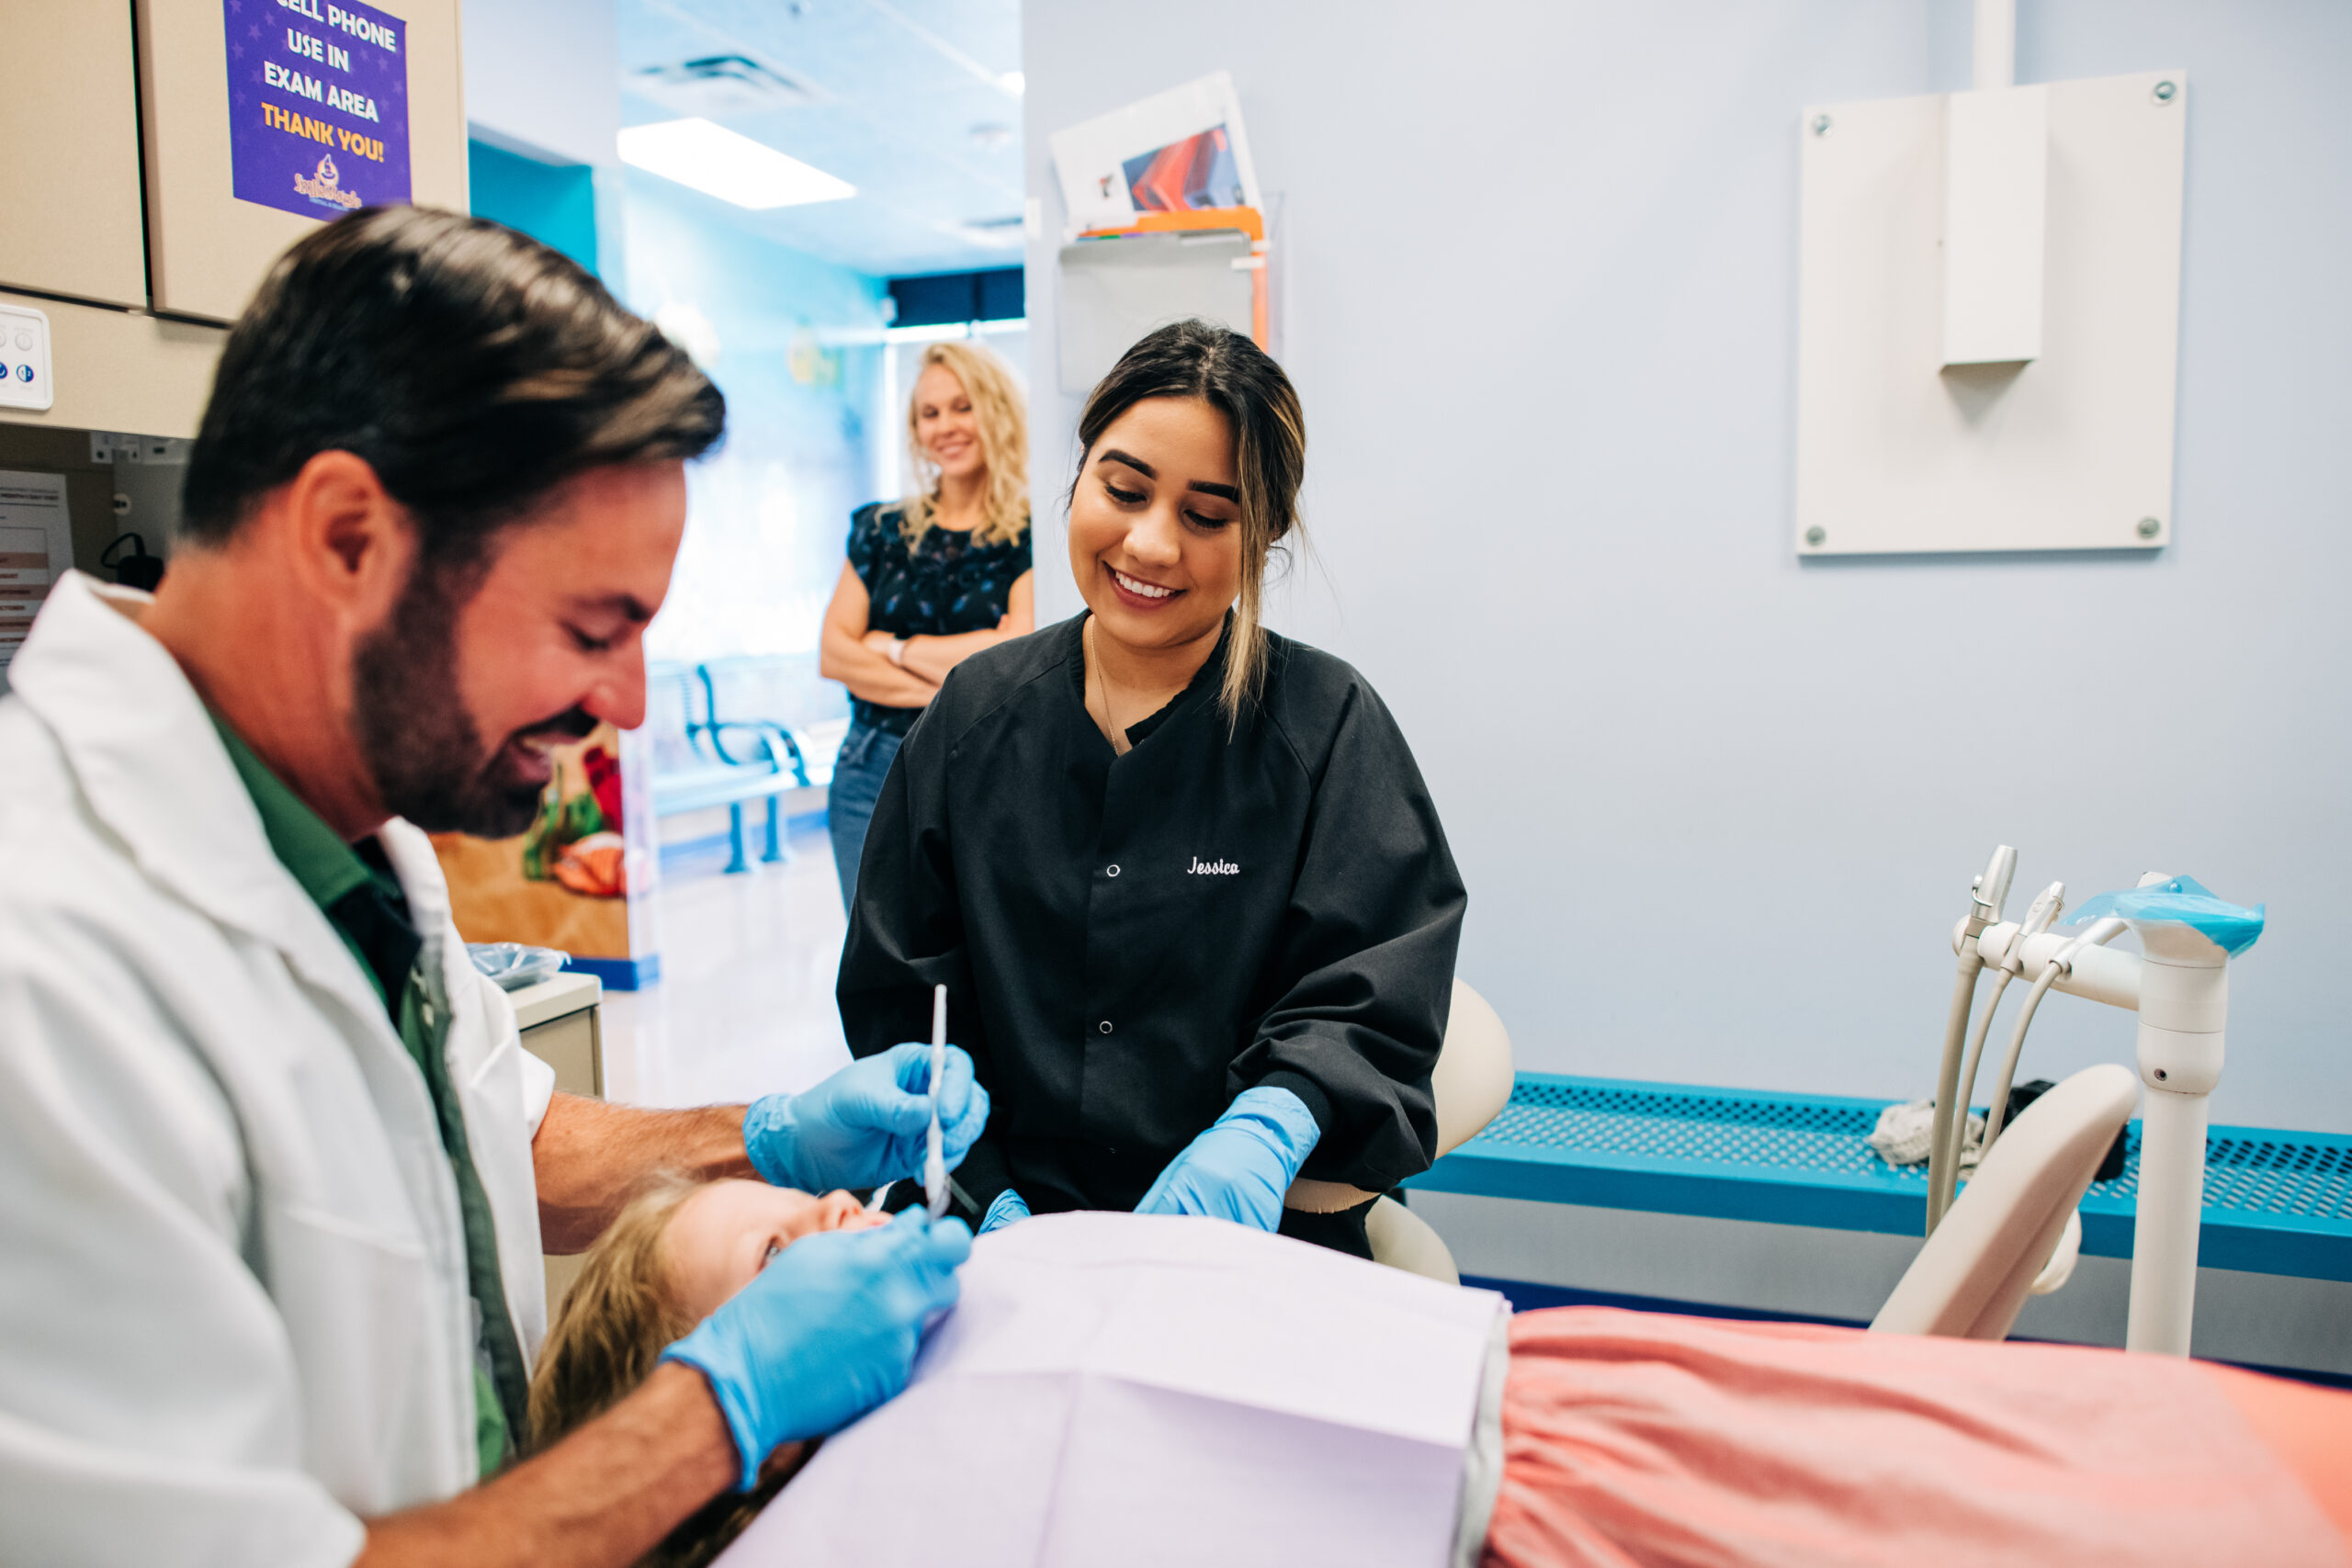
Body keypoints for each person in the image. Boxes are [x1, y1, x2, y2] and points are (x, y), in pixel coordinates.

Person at [0, 208, 987, 1567]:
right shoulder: (42, 963)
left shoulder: (351, 831)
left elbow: (489, 1143)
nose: (627, 705)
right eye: (594, 628)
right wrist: (715, 1413)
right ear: (349, 537)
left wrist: (758, 1137)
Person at [530, 1183, 2352, 1567]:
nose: (854, 1226)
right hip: (1534, 1509)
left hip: (1575, 1383)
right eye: (782, 1258)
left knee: (2170, 1449)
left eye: (828, 1200)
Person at [836, 320, 1467, 1258]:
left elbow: (1372, 996)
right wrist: (985, 1196)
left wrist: (1269, 1127)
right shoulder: (976, 715)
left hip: (1252, 1236)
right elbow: (904, 992)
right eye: (1121, 490)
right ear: (1079, 470)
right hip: (996, 1225)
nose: (1151, 544)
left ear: (1265, 533)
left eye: (1208, 516)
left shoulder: (1324, 724)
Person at [818, 340, 1034, 909]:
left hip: (986, 771)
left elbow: (1016, 653)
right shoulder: (879, 531)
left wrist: (890, 647)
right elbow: (834, 654)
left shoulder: (1031, 534)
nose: (946, 426)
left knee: (981, 969)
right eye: (930, 413)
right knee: (879, 972)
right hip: (872, 769)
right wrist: (963, 679)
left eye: (963, 406)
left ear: (996, 410)